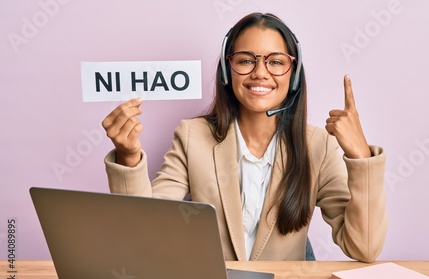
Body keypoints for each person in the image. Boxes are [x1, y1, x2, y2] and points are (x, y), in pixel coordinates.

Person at [101, 12, 388, 262]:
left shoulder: (318, 146)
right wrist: (128, 157)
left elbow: (364, 248)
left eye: (276, 62)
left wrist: (361, 158)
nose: (260, 73)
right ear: (228, 71)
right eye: (246, 60)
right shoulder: (192, 136)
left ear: (294, 75)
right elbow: (145, 232)